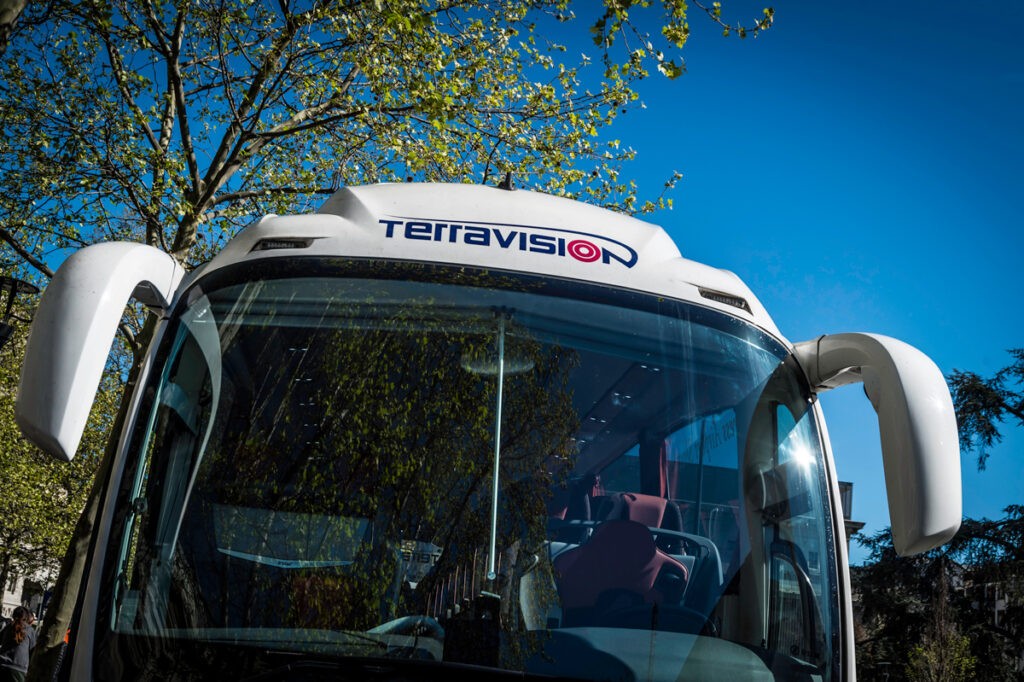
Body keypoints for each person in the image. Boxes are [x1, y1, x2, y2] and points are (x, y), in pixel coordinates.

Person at [0, 607, 37, 682]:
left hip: (2, 664)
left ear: (13, 615)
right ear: (26, 617)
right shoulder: (30, 630)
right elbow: (33, 651)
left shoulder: (8, 627)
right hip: (19, 668)